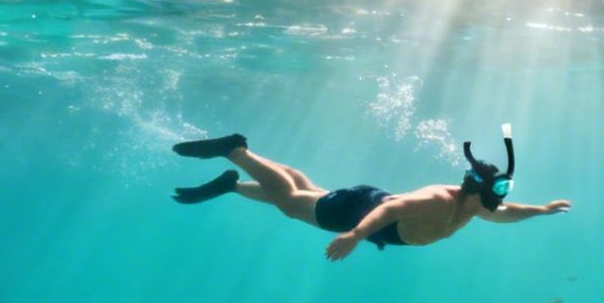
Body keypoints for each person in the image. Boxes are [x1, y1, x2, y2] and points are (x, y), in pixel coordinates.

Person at [171, 128, 570, 261]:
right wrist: (353, 236)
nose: (492, 209)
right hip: (359, 213)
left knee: (305, 190)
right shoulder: (441, 201)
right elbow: (394, 207)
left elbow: (506, 212)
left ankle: (230, 185)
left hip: (365, 204)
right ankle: (235, 150)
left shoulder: (475, 206)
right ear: (472, 194)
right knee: (292, 202)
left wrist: (543, 210)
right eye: (488, 201)